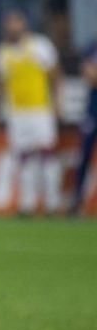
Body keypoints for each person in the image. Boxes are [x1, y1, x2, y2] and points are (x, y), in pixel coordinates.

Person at [0, 11, 62, 216]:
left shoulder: (40, 45)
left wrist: (58, 104)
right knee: (23, 158)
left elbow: (56, 75)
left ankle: (52, 203)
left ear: (24, 24)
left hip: (40, 109)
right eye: (9, 23)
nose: (13, 27)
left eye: (16, 23)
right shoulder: (1, 52)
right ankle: (27, 204)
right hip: (17, 112)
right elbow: (0, 83)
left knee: (46, 155)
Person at [69, 42, 97, 217]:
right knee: (85, 154)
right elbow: (89, 75)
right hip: (93, 106)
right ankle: (76, 201)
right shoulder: (92, 47)